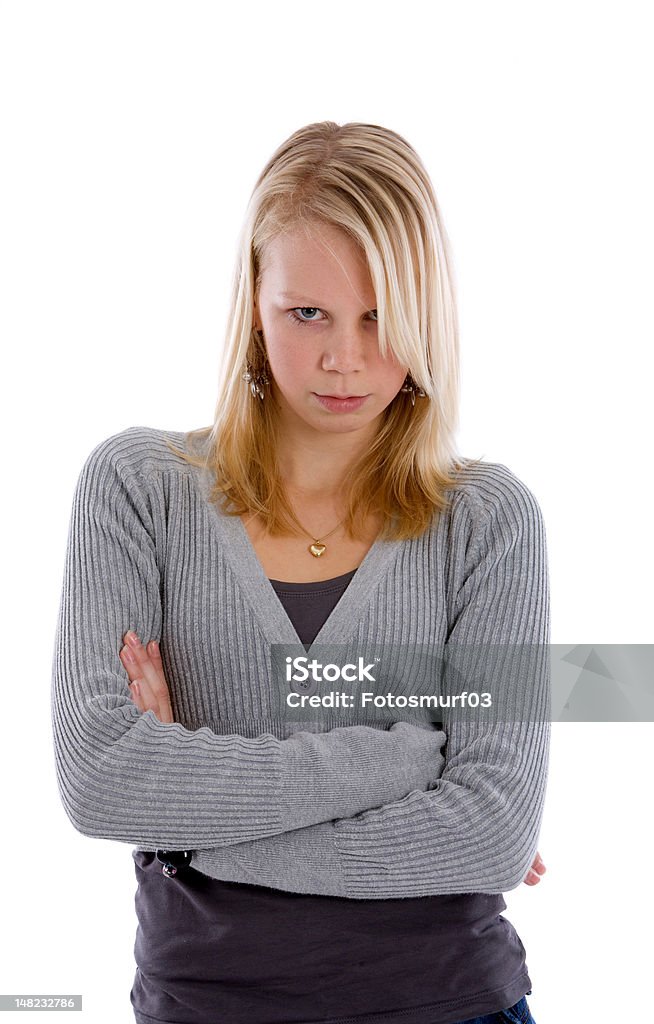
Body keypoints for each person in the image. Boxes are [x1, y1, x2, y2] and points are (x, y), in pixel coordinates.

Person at [51, 120, 550, 1024]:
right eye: (307, 312)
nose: (343, 359)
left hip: (451, 1004)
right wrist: (397, 761)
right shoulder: (138, 489)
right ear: (252, 297)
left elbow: (490, 834)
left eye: (380, 316)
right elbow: (98, 779)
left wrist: (190, 834)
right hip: (206, 1005)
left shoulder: (487, 521)